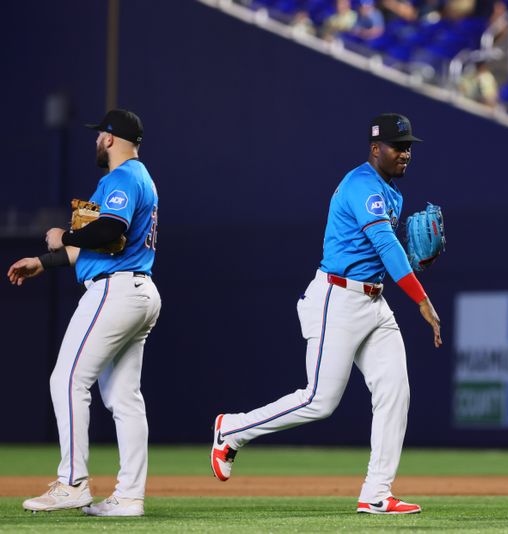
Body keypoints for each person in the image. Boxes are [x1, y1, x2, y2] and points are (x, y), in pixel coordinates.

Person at [211, 113, 442, 515]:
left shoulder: (393, 194)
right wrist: (421, 298)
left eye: (408, 146)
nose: (405, 153)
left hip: (374, 302)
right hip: (338, 299)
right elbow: (386, 248)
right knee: (319, 400)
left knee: (395, 392)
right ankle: (232, 429)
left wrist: (413, 264)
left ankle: (376, 492)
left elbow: (382, 254)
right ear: (375, 149)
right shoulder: (361, 185)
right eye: (397, 146)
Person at [8, 109, 161, 517]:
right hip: (138, 290)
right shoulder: (133, 180)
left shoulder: (123, 178)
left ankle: (72, 483)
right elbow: (93, 245)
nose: (95, 141)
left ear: (110, 139)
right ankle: (129, 496)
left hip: (115, 291)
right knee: (124, 399)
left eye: (99, 136)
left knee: (68, 379)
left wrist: (64, 234)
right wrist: (43, 260)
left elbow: (111, 231)